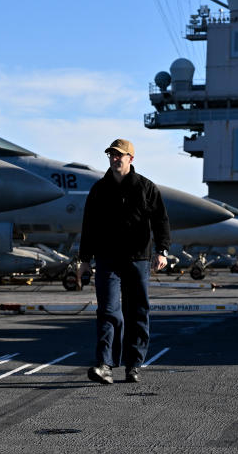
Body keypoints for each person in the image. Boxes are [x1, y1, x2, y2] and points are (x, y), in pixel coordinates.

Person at [78, 138, 170, 384]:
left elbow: (161, 221)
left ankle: (133, 365)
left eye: (119, 155)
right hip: (107, 259)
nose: (115, 158)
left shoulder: (146, 188)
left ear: (131, 158)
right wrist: (84, 260)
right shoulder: (99, 189)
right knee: (108, 310)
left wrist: (162, 250)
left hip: (138, 259)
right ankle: (105, 365)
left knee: (137, 312)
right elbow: (89, 226)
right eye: (111, 154)